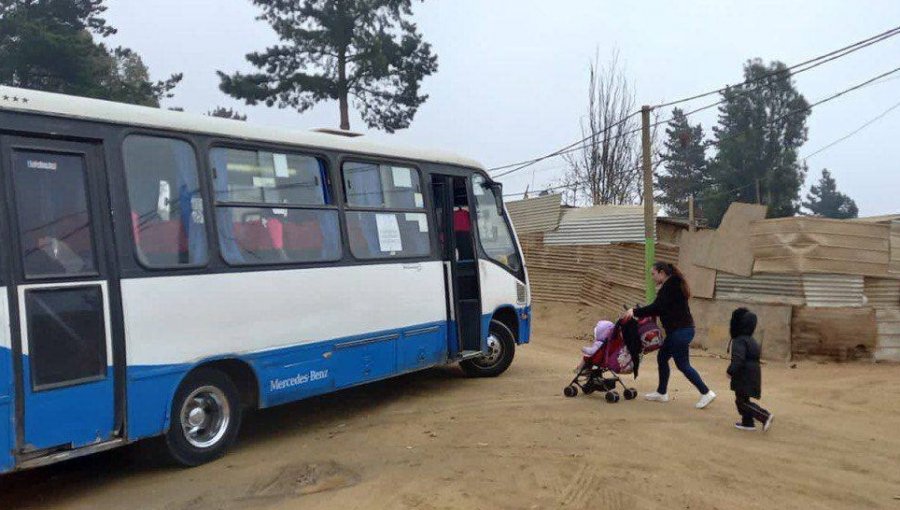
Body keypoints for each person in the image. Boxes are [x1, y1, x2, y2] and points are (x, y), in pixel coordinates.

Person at [624, 262, 716, 409]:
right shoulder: (672, 285)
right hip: (679, 331)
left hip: (680, 332)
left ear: (662, 272)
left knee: (683, 365)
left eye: (653, 274)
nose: (652, 277)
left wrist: (634, 312)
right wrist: (641, 311)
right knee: (662, 358)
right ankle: (662, 393)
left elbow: (657, 307)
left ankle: (706, 392)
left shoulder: (670, 286)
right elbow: (661, 308)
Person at [728, 308, 774, 432]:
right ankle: (747, 422)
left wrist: (731, 370)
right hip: (752, 373)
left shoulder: (739, 340)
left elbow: (738, 358)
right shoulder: (751, 340)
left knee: (741, 402)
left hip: (744, 374)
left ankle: (764, 416)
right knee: (744, 399)